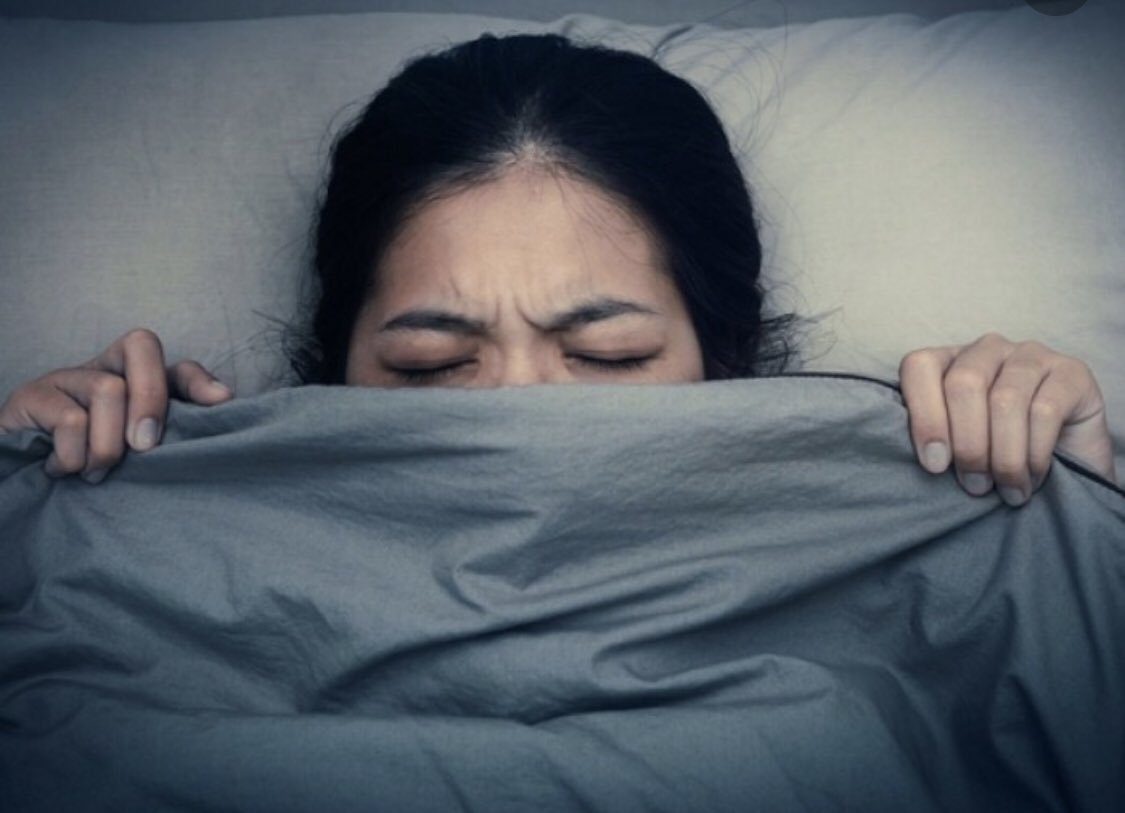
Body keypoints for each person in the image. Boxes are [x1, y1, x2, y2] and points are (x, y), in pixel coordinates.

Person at [0, 34, 1115, 504]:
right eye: (432, 365)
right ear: (326, 370)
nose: (521, 416)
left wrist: (1080, 508)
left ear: (727, 360)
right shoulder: (163, 534)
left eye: (609, 355)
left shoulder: (903, 543)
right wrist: (29, 499)